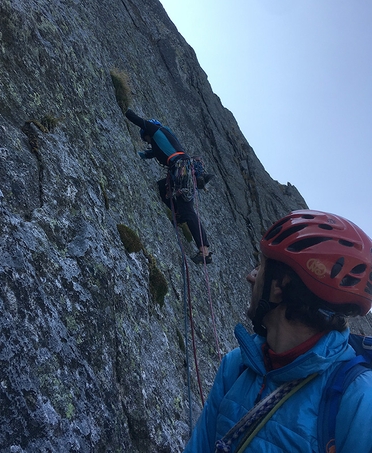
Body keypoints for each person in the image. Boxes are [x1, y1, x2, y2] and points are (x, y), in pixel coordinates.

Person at [183, 209, 372, 453]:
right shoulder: (237, 366)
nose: (250, 276)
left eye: (260, 266)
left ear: (279, 287)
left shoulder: (358, 400)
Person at [125, 108, 213, 264]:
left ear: (148, 132)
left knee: (188, 209)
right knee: (161, 188)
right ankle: (178, 216)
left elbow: (137, 119)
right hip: (180, 169)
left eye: (146, 138)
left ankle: (204, 251)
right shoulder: (163, 140)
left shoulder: (156, 130)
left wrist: (126, 111)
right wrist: (135, 154)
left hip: (181, 169)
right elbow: (148, 154)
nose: (147, 141)